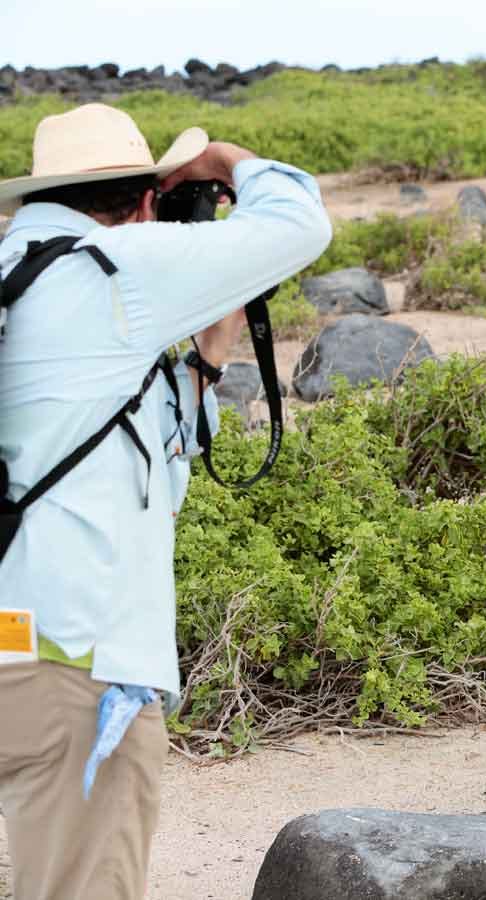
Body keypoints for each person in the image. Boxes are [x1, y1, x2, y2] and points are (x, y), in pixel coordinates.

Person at [0, 103, 332, 899]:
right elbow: (298, 219)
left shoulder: (19, 271)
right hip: (77, 661)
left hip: (15, 642)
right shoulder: (118, 267)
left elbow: (124, 448)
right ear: (145, 201)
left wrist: (205, 363)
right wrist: (224, 158)